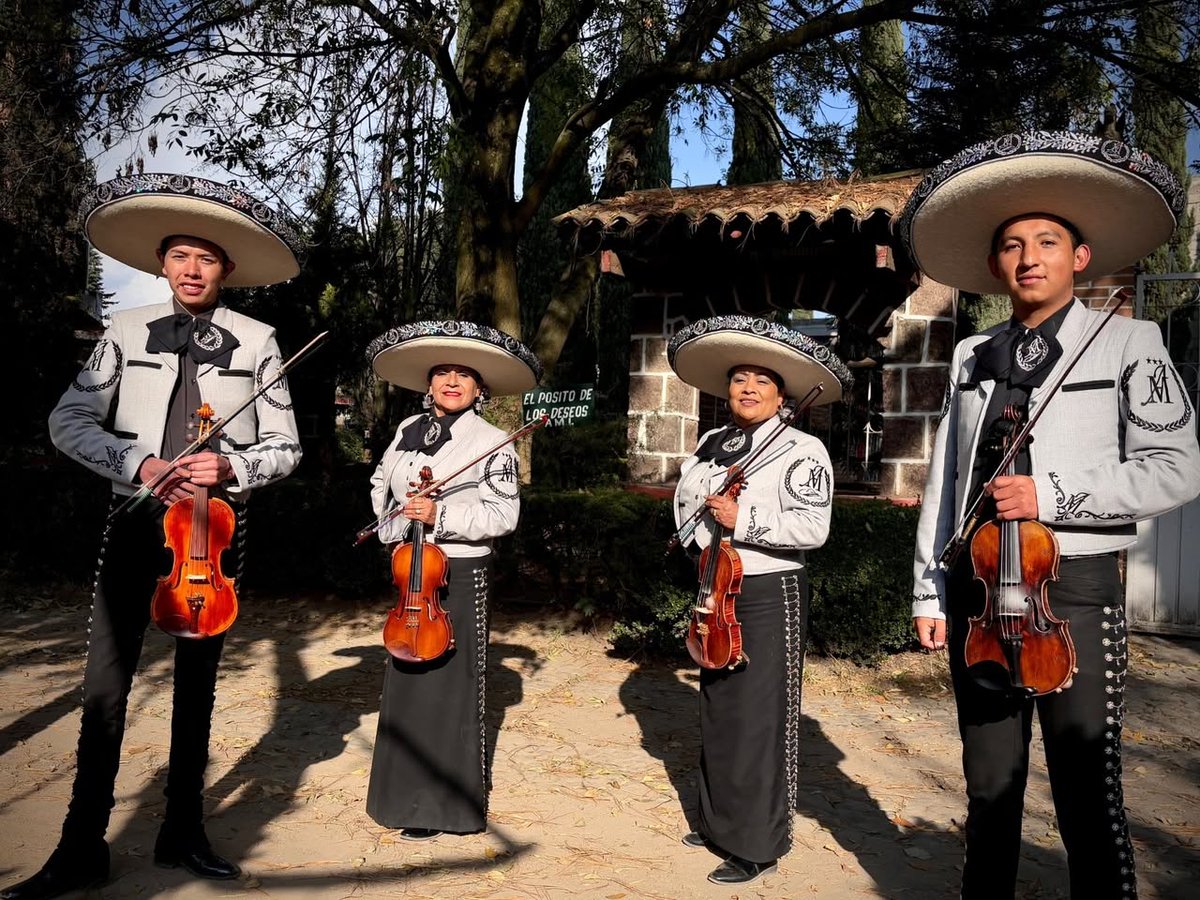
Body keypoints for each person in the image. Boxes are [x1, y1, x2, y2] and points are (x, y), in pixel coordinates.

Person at [903, 132, 1200, 898]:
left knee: (1086, 799)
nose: (1028, 256)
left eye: (1046, 241)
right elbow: (947, 481)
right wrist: (929, 592)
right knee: (988, 792)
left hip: (1071, 593)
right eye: (1011, 245)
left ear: (1080, 256)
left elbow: (1179, 468)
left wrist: (1054, 494)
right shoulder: (973, 352)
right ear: (996, 266)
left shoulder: (1131, 341)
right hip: (976, 593)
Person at [1, 174, 303, 900]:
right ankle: (81, 844)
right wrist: (136, 462)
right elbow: (68, 422)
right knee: (105, 686)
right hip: (135, 522)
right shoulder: (124, 330)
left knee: (197, 687)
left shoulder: (261, 341)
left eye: (206, 258)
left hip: (212, 533)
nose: (192, 269)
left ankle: (182, 830)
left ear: (226, 270)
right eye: (179, 256)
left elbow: (286, 448)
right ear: (160, 265)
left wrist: (229, 462)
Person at [666, 315, 851, 885]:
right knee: (719, 705)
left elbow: (812, 527)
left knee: (759, 717)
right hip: (716, 584)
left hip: (769, 592)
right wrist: (702, 527)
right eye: (739, 378)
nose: (747, 389)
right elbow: (685, 502)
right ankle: (720, 820)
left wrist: (739, 517)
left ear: (783, 393)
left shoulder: (804, 449)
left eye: (761, 381)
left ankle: (757, 841)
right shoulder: (714, 443)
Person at [362, 320, 541, 839]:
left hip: (458, 571)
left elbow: (503, 516)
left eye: (464, 374)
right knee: (407, 676)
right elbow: (380, 481)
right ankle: (400, 796)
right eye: (442, 372)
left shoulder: (493, 442)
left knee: (448, 686)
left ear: (480, 388)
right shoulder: (405, 431)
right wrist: (395, 521)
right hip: (410, 569)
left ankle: (441, 806)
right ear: (428, 383)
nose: (452, 381)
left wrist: (439, 518)